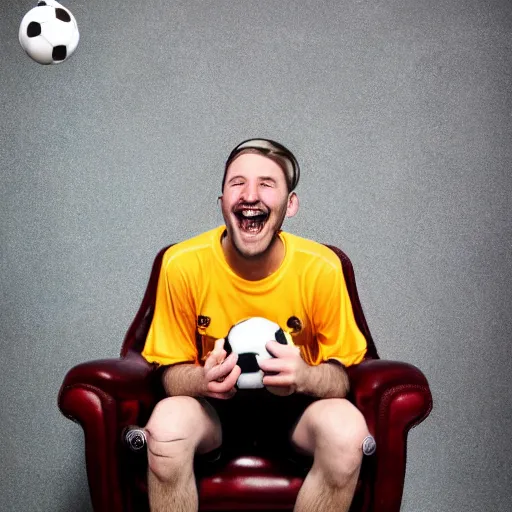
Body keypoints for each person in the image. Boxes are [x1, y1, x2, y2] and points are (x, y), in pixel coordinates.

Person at [140, 138, 371, 512]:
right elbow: (167, 374)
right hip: (211, 413)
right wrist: (203, 379)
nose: (250, 195)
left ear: (290, 204)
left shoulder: (321, 267)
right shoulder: (182, 263)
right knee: (165, 427)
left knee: (348, 431)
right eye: (237, 183)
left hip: (298, 413)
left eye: (266, 184)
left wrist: (305, 376)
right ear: (221, 204)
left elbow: (343, 377)